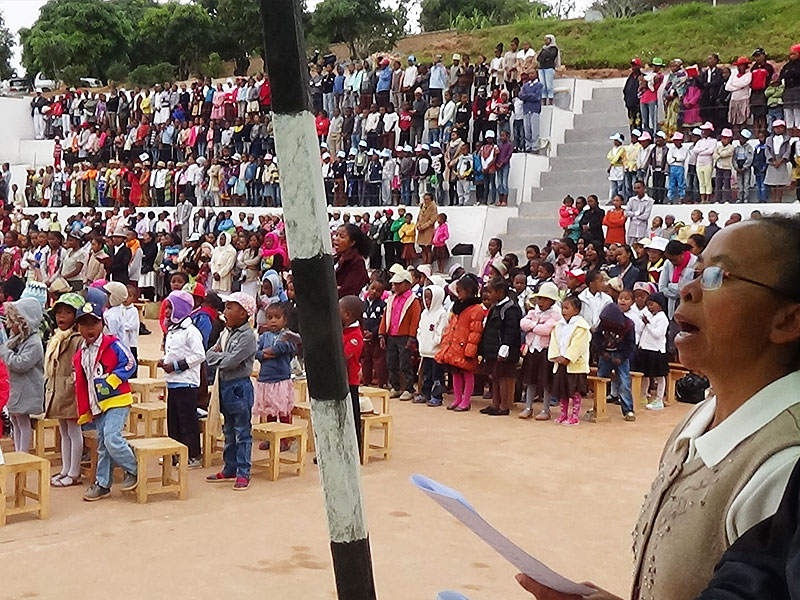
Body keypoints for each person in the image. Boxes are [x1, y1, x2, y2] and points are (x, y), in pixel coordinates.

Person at [518, 214, 800, 600]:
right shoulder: (700, 417)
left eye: (717, 277)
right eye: (696, 273)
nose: (687, 290)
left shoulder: (784, 467)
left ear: (788, 320)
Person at [73, 299, 138, 501]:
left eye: (93, 323)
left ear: (102, 324)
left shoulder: (113, 344)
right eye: (83, 324)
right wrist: (86, 408)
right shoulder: (81, 353)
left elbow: (130, 363)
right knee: (103, 444)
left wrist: (113, 379)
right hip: (98, 404)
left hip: (117, 399)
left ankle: (134, 468)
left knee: (111, 438)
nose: (88, 328)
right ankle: (102, 483)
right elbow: (83, 383)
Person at [206, 292, 258, 491]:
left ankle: (243, 472)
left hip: (239, 387)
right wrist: (219, 358)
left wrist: (219, 358)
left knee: (242, 431)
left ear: (244, 313)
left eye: (230, 308)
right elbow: (209, 353)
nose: (225, 311)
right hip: (225, 386)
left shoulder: (248, 337)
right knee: (228, 429)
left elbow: (230, 362)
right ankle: (229, 467)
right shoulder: (226, 333)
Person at [159, 290, 205, 469]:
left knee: (187, 421)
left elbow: (199, 355)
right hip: (173, 382)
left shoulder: (191, 331)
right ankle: (175, 453)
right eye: (167, 308)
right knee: (174, 420)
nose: (168, 312)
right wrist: (165, 362)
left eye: (171, 307)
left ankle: (193, 455)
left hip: (187, 382)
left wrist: (177, 366)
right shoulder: (172, 329)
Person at [44, 293, 85, 487]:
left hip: (71, 392)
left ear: (76, 316)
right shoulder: (57, 337)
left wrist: (72, 382)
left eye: (67, 312)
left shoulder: (77, 339)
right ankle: (65, 469)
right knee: (64, 430)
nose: (62, 316)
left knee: (74, 431)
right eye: (59, 312)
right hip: (59, 391)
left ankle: (74, 472)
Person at [0, 297, 45, 452]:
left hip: (28, 390)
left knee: (23, 422)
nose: (9, 325)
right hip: (16, 388)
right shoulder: (17, 338)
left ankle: (23, 453)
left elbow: (20, 363)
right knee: (15, 421)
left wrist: (3, 351)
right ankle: (18, 451)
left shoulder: (34, 342)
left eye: (14, 322)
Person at [436, 274, 484, 412]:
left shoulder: (476, 309)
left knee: (467, 373)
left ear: (469, 291)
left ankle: (466, 400)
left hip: (466, 347)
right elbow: (451, 327)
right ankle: (457, 398)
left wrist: (470, 350)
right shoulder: (457, 307)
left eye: (460, 290)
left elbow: (475, 332)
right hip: (454, 346)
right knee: (455, 373)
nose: (458, 293)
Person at [479, 278, 523, 416]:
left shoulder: (511, 309)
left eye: (491, 292)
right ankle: (494, 404)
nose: (489, 295)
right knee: (494, 376)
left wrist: (505, 348)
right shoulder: (495, 307)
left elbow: (512, 331)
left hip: (505, 350)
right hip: (493, 348)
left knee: (504, 377)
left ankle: (504, 406)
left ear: (500, 292)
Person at [519, 282, 560, 420]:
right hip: (532, 349)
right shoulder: (533, 312)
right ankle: (528, 407)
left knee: (546, 381)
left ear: (552, 301)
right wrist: (536, 325)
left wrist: (533, 326)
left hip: (545, 351)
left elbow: (547, 329)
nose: (540, 302)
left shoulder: (555, 315)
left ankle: (545, 409)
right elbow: (523, 324)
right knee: (530, 380)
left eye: (544, 299)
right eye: (539, 298)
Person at [379, 268, 421, 401]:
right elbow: (386, 316)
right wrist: (381, 333)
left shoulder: (413, 301)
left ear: (407, 284)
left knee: (405, 363)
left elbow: (415, 320)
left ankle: (408, 388)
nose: (394, 286)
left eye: (398, 284)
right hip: (392, 335)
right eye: (393, 284)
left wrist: (411, 337)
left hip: (404, 336)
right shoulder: (392, 299)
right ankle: (396, 387)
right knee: (391, 362)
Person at [253, 301, 295, 433]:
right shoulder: (264, 336)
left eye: (277, 317)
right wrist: (263, 355)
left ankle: (285, 436)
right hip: (266, 378)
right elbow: (255, 352)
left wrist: (272, 351)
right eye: (270, 318)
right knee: (269, 410)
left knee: (283, 410)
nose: (273, 321)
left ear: (285, 320)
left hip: (281, 379)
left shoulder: (287, 335)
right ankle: (271, 435)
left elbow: (284, 348)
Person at [547, 294, 590, 425]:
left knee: (575, 391)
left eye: (566, 308)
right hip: (560, 363)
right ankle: (563, 414)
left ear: (576, 310)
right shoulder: (558, 326)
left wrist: (568, 358)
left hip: (575, 365)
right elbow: (554, 342)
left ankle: (574, 416)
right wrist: (556, 357)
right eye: (562, 308)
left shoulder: (581, 327)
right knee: (562, 391)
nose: (563, 311)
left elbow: (578, 345)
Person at [593, 302, 637, 421]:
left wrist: (622, 358)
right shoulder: (603, 324)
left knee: (624, 382)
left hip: (621, 356)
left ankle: (628, 410)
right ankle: (597, 407)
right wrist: (602, 353)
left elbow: (631, 345)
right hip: (605, 355)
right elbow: (596, 339)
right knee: (600, 380)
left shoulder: (628, 326)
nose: (607, 324)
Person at [415, 284, 449, 407]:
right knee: (426, 374)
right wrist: (421, 341)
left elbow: (441, 331)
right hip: (425, 351)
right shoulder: (424, 313)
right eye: (426, 298)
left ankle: (437, 396)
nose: (427, 301)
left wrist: (434, 342)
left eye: (430, 298)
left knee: (437, 376)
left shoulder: (442, 313)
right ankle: (426, 394)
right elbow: (420, 329)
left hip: (436, 352)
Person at [340, 295, 365, 455]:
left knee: (352, 417)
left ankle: (355, 450)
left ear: (347, 314)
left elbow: (342, 356)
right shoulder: (342, 331)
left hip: (350, 382)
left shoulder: (355, 335)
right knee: (340, 417)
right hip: (339, 381)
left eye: (339, 310)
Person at [638, 291, 670, 411]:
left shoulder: (662, 318)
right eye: (648, 305)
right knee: (645, 375)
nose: (650, 307)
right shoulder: (652, 317)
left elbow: (658, 334)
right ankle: (644, 395)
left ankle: (659, 399)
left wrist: (648, 324)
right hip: (646, 349)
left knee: (659, 375)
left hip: (657, 350)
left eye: (652, 304)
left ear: (660, 304)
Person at [361, 280, 387, 388]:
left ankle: (381, 383)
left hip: (376, 337)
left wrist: (374, 333)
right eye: (373, 288)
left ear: (382, 293)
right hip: (364, 337)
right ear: (368, 288)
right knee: (365, 359)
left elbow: (383, 321)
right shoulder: (362, 304)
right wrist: (363, 331)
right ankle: (366, 381)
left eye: (378, 290)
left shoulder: (383, 305)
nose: (374, 292)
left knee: (379, 360)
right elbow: (360, 319)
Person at [333, 223, 370, 298]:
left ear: (352, 242)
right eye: (336, 235)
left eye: (342, 236)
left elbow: (348, 291)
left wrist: (332, 290)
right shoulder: (335, 258)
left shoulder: (357, 262)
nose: (336, 239)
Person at [624, 180, 654, 246]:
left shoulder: (649, 201)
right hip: (632, 230)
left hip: (642, 230)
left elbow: (646, 216)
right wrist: (636, 214)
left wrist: (633, 216)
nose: (637, 190)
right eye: (635, 188)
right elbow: (626, 213)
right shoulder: (632, 200)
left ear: (644, 188)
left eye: (639, 188)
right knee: (630, 247)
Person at [416, 192, 438, 265]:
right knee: (422, 248)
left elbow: (432, 220)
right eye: (424, 199)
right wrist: (418, 225)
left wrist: (423, 226)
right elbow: (418, 217)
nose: (426, 201)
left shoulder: (433, 207)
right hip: (421, 230)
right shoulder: (422, 206)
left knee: (428, 248)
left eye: (427, 199)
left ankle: (428, 263)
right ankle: (424, 262)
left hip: (428, 230)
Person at [537, 35, 560, 105]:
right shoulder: (543, 48)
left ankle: (550, 101)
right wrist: (545, 58)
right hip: (542, 68)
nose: (545, 41)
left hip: (549, 68)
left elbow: (551, 56)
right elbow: (539, 58)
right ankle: (544, 102)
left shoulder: (554, 48)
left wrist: (545, 57)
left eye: (547, 39)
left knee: (549, 86)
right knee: (543, 86)